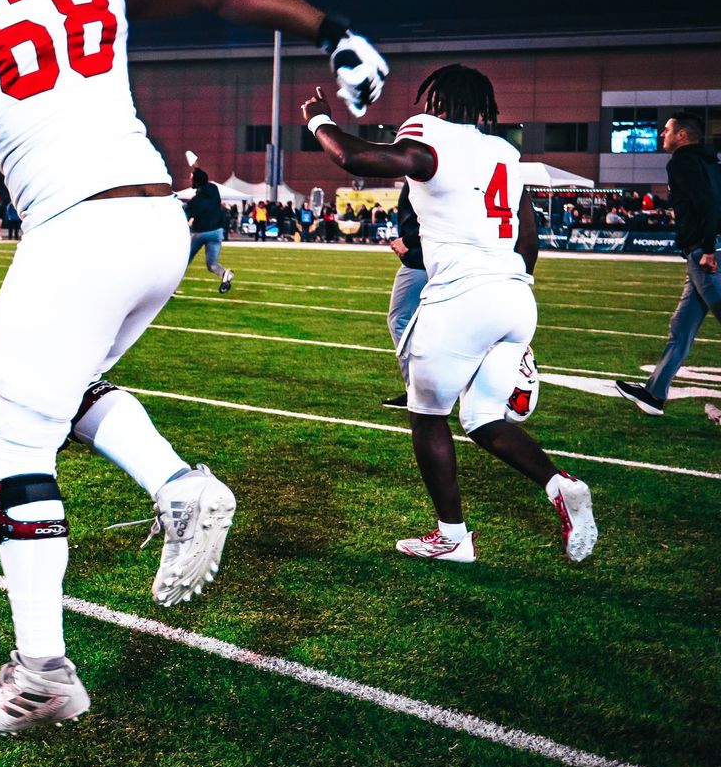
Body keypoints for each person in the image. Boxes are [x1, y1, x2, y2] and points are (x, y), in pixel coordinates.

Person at [0, 0, 388, 733]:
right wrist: (330, 27)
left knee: (17, 439)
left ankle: (42, 674)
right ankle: (174, 486)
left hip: (78, 227)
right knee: (38, 386)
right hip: (156, 222)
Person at [304, 65, 596, 566]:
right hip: (514, 295)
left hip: (462, 294)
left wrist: (318, 121)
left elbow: (354, 156)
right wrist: (508, 287)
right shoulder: (503, 152)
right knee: (483, 417)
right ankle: (558, 483)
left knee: (428, 415)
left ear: (434, 101)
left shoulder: (429, 135)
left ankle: (453, 537)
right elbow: (528, 239)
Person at [616, 113, 719, 415]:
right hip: (700, 252)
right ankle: (654, 394)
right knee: (681, 328)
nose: (662, 133)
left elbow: (709, 205)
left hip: (705, 253)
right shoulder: (709, 163)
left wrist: (709, 248)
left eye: (668, 129)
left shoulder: (683, 162)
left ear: (683, 135)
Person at [380, 185, 427, 409]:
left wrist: (408, 241)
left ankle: (417, 390)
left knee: (399, 321)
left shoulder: (423, 174)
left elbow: (435, 218)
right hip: (448, 260)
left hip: (422, 260)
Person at [183, 169, 235, 293]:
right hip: (217, 232)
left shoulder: (195, 201)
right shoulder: (213, 189)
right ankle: (224, 274)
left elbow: (186, 215)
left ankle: (171, 288)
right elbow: (204, 181)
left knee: (184, 261)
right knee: (212, 264)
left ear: (196, 181)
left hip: (200, 232)